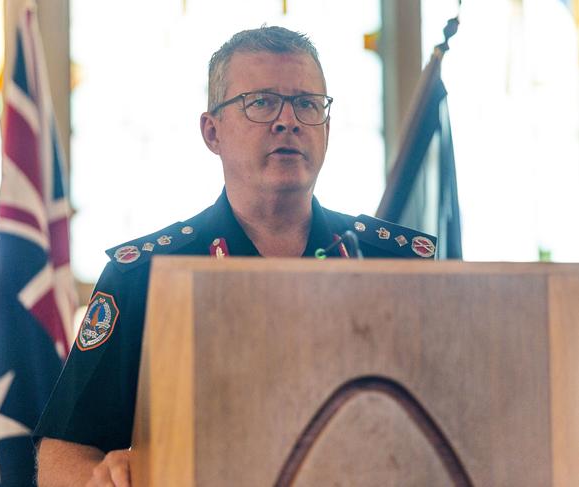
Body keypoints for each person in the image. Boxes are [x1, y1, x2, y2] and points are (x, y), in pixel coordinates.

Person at [34, 26, 437, 486]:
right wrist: (100, 476)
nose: (289, 121)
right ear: (212, 131)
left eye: (307, 104)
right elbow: (63, 451)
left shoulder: (395, 266)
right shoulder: (144, 276)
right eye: (261, 102)